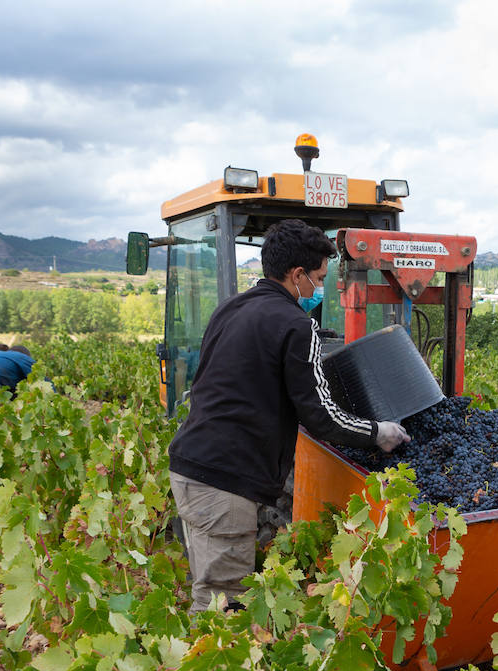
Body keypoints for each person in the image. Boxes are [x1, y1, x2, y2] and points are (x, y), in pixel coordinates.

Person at [167, 220, 411, 612]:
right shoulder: (297, 324)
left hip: (190, 467)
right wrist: (376, 431)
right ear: (297, 275)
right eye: (317, 279)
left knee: (207, 592)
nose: (318, 289)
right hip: (224, 484)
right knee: (224, 608)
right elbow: (321, 416)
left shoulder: (231, 308)